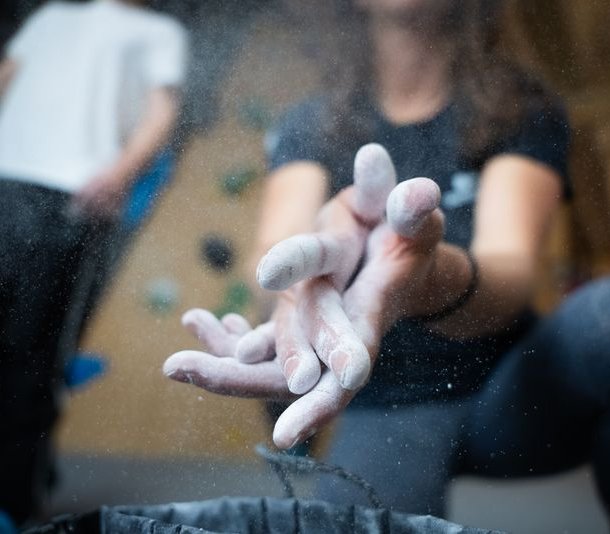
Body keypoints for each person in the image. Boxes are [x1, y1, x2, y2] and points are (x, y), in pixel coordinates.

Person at [164, 0, 609, 521]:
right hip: (384, 397)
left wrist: (424, 274)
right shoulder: (313, 123)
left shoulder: (519, 107)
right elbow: (272, 255)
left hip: (517, 388)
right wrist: (307, 273)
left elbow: (509, 268)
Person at [0, 0, 186, 524]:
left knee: (31, 357)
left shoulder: (158, 29)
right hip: (5, 184)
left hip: (72, 197)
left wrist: (119, 175)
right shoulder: (50, 16)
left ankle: (18, 498)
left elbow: (162, 110)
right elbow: (6, 76)